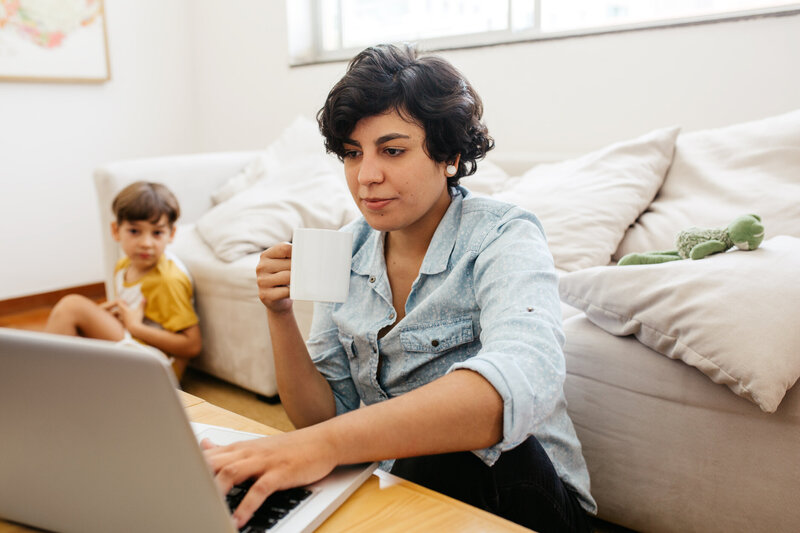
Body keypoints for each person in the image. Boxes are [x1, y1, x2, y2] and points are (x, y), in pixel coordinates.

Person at [202, 44, 595, 532]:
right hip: (405, 486)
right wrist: (279, 313)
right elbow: (322, 416)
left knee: (446, 448)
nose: (366, 177)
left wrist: (323, 445)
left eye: (392, 150)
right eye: (352, 154)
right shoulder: (347, 249)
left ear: (449, 156)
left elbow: (517, 382)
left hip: (525, 496)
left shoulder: (504, 236)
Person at [45, 181, 201, 379]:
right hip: (135, 344)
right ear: (115, 230)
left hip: (158, 369)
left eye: (157, 233)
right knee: (73, 326)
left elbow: (192, 346)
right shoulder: (123, 266)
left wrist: (136, 327)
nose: (146, 243)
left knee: (71, 307)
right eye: (134, 231)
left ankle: (44, 380)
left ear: (171, 234)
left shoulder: (168, 280)